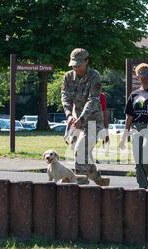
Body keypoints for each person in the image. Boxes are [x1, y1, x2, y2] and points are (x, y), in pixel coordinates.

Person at [61, 48, 110, 186]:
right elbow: (65, 97)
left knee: (80, 151)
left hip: (93, 121)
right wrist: (69, 115)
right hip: (75, 120)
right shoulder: (68, 77)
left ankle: (81, 185)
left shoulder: (94, 76)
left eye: (79, 64)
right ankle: (97, 178)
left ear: (87, 61)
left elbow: (93, 100)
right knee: (79, 153)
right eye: (73, 65)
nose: (76, 68)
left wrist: (82, 118)